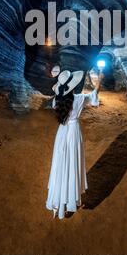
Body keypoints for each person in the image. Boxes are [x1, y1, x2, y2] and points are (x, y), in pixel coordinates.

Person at [46, 68, 103, 219]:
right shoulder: (78, 99)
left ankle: (58, 202)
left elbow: (57, 107)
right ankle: (70, 197)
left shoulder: (56, 100)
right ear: (72, 84)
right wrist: (99, 82)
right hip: (74, 132)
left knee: (60, 163)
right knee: (72, 162)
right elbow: (93, 98)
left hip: (62, 132)